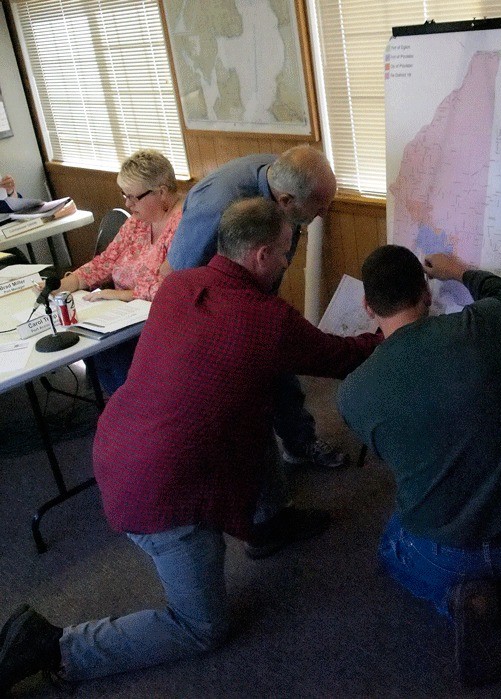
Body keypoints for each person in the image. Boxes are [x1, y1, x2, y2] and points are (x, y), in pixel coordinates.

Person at [0, 197, 380, 692]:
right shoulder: (265, 320)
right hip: (159, 490)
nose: (289, 261)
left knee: (250, 408)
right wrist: (394, 334)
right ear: (262, 255)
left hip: (119, 444)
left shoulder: (180, 285)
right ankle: (52, 644)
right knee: (201, 627)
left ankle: (266, 524)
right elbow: (338, 356)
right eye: (287, 252)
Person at [337, 246, 501, 686]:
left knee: (390, 543)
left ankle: (467, 598)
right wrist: (459, 271)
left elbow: (395, 457)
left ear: (367, 306)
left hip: (449, 556)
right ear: (427, 292)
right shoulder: (481, 327)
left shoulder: (352, 394)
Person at [163, 145, 345, 469]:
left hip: (252, 295)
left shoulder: (284, 178)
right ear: (286, 201)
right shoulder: (216, 206)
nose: (324, 214)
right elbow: (179, 276)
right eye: (318, 208)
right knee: (240, 407)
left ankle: (299, 443)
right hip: (211, 311)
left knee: (278, 364)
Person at [52, 149, 183, 393]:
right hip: (122, 320)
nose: (127, 203)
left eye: (134, 197)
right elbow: (106, 261)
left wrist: (124, 294)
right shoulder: (139, 219)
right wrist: (67, 283)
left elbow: (175, 286)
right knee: (90, 347)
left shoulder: (183, 224)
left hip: (160, 324)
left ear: (162, 191)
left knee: (113, 361)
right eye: (124, 195)